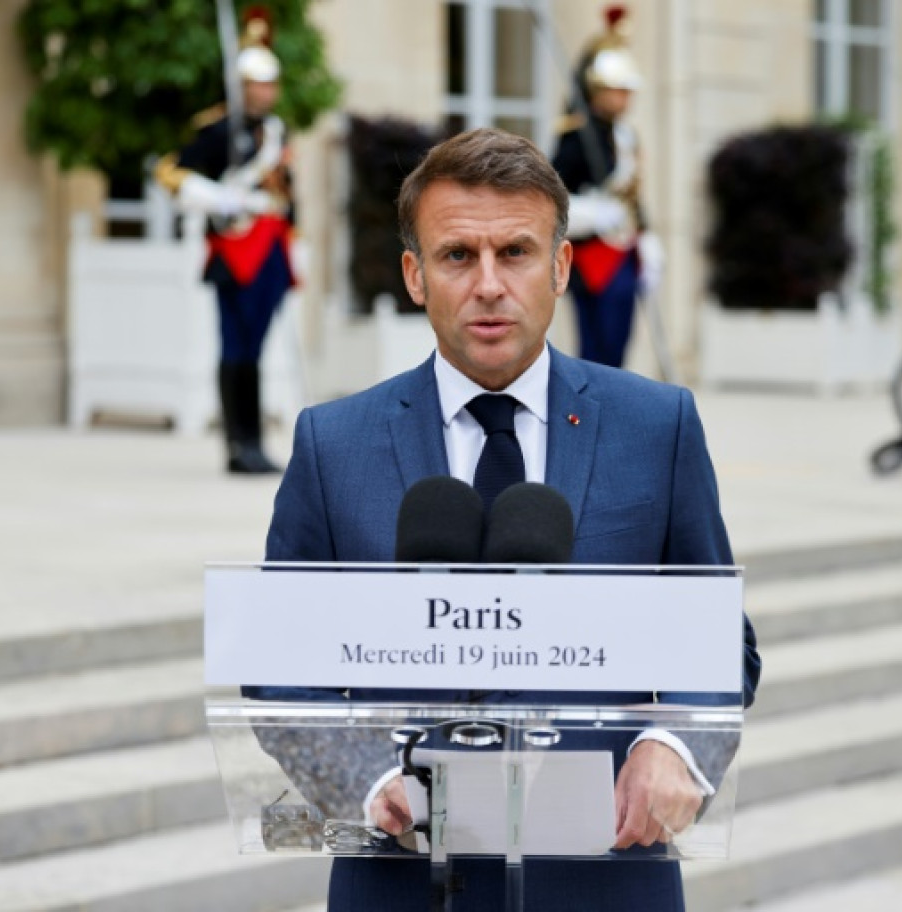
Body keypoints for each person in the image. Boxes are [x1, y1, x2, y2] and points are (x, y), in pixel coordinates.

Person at [261, 127, 761, 911]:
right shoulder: (334, 444)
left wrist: (675, 748)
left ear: (561, 267)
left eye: (516, 253)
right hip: (401, 877)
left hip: (605, 874)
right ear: (415, 275)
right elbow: (279, 659)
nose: (489, 284)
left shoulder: (656, 427)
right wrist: (363, 775)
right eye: (458, 255)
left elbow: (721, 640)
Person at [155, 7, 295, 475]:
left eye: (270, 85)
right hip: (235, 249)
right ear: (241, 86)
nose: (265, 93)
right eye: (257, 84)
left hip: (270, 246)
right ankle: (238, 444)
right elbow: (171, 173)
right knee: (236, 347)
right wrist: (222, 198)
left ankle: (252, 441)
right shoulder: (216, 130)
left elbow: (287, 192)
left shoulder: (276, 132)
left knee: (255, 347)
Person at [550, 5, 661, 370]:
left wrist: (645, 233)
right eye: (619, 90)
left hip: (622, 245)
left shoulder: (625, 134)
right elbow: (556, 195)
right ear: (597, 90)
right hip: (590, 251)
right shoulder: (576, 136)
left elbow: (630, 193)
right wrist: (591, 214)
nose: (626, 98)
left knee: (619, 342)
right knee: (596, 345)